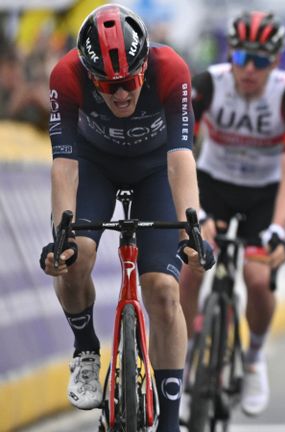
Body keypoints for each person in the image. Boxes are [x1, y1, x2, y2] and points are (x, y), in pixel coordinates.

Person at [39, 4, 214, 431]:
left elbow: (180, 159)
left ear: (144, 67)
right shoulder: (66, 75)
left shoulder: (171, 68)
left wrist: (191, 228)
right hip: (94, 166)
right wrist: (62, 236)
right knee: (75, 255)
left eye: (130, 82)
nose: (120, 95)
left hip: (156, 170)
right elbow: (64, 165)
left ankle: (170, 423)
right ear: (89, 76)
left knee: (164, 292)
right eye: (107, 85)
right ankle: (85, 348)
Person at [178, 10, 285, 416]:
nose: (249, 69)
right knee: (191, 267)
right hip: (212, 183)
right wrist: (196, 213)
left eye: (260, 60)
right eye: (241, 58)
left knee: (257, 278)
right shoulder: (207, 84)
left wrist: (279, 228)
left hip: (264, 193)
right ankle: (182, 362)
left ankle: (253, 359)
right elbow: (180, 152)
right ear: (229, 54)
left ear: (275, 61)